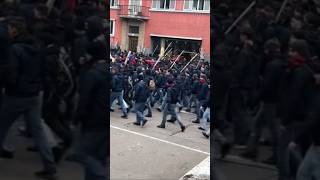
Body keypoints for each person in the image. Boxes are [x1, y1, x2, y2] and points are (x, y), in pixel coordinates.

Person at [0, 17, 57, 180]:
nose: (8, 32)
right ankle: (50, 166)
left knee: (2, 126)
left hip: (16, 95)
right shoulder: (38, 47)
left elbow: (12, 73)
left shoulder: (15, 49)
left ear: (15, 30)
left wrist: (7, 85)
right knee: (38, 132)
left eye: (10, 28)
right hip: (34, 94)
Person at [74, 40, 108, 180]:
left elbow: (84, 100)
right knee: (99, 156)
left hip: (94, 121)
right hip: (104, 121)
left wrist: (76, 119)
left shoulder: (93, 74)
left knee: (86, 155)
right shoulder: (106, 69)